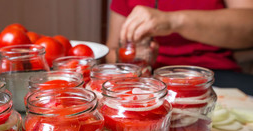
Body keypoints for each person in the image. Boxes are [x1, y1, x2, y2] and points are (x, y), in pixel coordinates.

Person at [106, 0, 253, 95]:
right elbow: (112, 50)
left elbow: (249, 26)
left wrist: (174, 21)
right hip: (150, 79)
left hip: (215, 76)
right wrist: (133, 58)